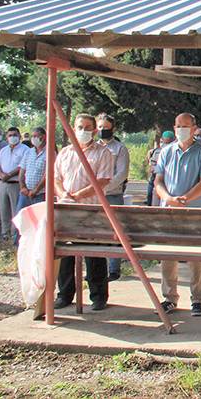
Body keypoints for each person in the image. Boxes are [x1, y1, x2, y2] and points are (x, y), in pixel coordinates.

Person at [153, 113, 201, 317]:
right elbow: (158, 180)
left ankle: (198, 299)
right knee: (167, 257)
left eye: (185, 126)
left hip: (195, 213)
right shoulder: (166, 151)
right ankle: (169, 298)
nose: (181, 129)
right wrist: (168, 198)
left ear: (194, 128)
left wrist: (185, 199)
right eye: (178, 126)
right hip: (169, 211)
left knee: (196, 257)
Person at [54, 114, 114, 311]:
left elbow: (103, 180)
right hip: (66, 210)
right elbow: (56, 178)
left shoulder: (103, 153)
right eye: (80, 127)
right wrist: (64, 194)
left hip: (91, 211)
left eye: (88, 127)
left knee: (94, 253)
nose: (83, 131)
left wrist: (78, 195)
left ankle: (98, 296)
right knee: (64, 254)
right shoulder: (65, 152)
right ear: (73, 128)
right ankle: (64, 294)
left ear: (95, 130)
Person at [97, 114, 131, 281]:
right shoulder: (93, 148)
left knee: (115, 234)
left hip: (112, 195)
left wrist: (102, 188)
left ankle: (114, 269)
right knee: (96, 234)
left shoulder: (119, 149)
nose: (102, 130)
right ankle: (97, 270)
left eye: (106, 127)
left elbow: (121, 174)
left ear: (113, 128)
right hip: (94, 197)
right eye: (100, 127)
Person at [0, 127, 30, 240]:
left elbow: (22, 166)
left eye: (15, 135)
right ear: (7, 137)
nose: (12, 137)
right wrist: (1, 174)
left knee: (16, 210)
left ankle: (15, 234)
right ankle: (5, 232)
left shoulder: (25, 150)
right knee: (3, 208)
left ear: (19, 136)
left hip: (16, 183)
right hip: (3, 183)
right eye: (10, 135)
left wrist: (9, 175)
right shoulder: (3, 150)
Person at [15, 127, 48, 244]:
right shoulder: (28, 152)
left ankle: (36, 245)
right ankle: (18, 244)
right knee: (21, 219)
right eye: (32, 136)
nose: (33, 138)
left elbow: (47, 174)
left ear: (43, 137)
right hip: (24, 193)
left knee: (39, 222)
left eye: (36, 136)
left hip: (40, 194)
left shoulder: (49, 153)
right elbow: (22, 171)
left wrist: (36, 190)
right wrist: (22, 187)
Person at [146, 131, 175, 206]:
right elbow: (151, 166)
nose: (166, 145)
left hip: (169, 179)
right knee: (151, 197)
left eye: (169, 142)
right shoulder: (156, 151)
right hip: (156, 178)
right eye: (165, 141)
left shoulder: (175, 152)